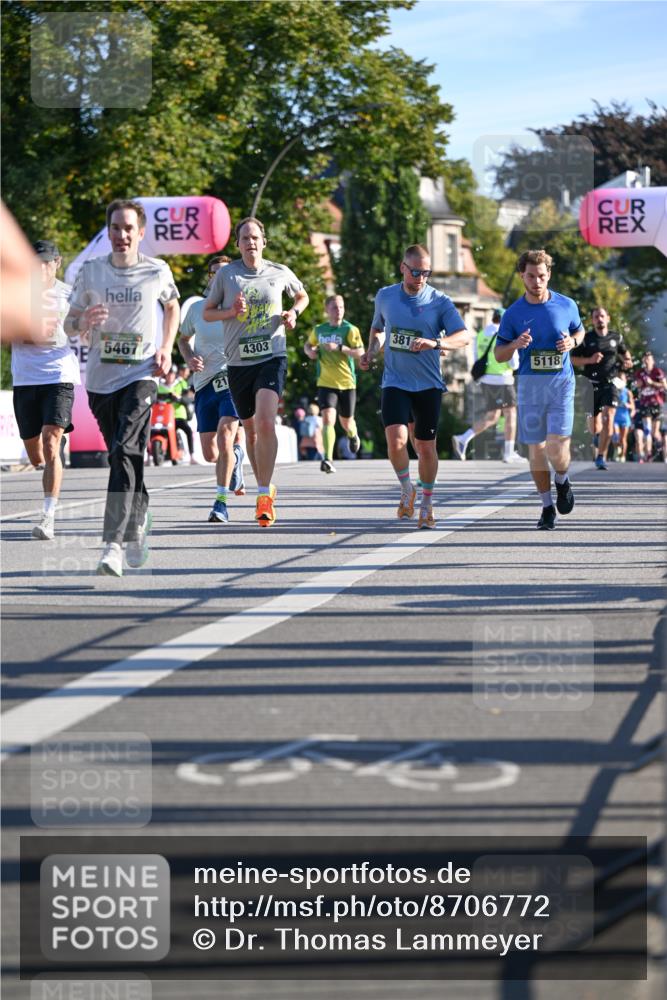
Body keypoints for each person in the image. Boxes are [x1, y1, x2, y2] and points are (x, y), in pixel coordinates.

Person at [64, 199, 180, 576]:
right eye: (115, 228)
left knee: (127, 447)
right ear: (109, 231)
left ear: (141, 233)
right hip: (100, 381)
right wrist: (83, 318)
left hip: (141, 373)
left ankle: (112, 543)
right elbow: (68, 325)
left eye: (129, 228)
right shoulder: (91, 272)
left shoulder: (156, 271)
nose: (122, 235)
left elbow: (173, 306)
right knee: (121, 454)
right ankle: (138, 520)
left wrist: (164, 347)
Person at [202, 216, 308, 527]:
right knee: (249, 431)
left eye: (255, 237)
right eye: (245, 238)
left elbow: (302, 295)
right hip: (238, 363)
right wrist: (231, 312)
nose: (251, 242)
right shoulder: (227, 275)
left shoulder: (279, 272)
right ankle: (265, 483)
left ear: (264, 242)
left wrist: (293, 313)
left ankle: (263, 495)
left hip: (272, 355)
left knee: (265, 421)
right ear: (238, 244)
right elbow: (208, 313)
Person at [359, 244, 468, 529]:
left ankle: (428, 502)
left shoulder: (439, 301)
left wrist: (436, 343)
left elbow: (464, 336)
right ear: (403, 268)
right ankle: (407, 488)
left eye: (426, 272)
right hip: (395, 380)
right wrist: (371, 351)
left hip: (428, 384)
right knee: (395, 441)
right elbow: (379, 329)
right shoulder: (385, 296)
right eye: (416, 271)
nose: (421, 278)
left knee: (425, 446)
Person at [494, 249, 585, 531]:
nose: (537, 281)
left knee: (557, 449)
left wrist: (573, 342)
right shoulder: (513, 313)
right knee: (536, 449)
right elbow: (498, 355)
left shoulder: (567, 305)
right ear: (522, 275)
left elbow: (579, 331)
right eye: (531, 276)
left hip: (561, 386)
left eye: (542, 276)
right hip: (530, 388)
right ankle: (547, 507)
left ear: (549, 275)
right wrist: (514, 345)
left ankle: (562, 479)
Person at [11, 240, 80, 540]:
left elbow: (83, 328)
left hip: (59, 375)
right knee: (36, 454)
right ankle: (49, 457)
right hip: (25, 379)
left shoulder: (70, 294)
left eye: (46, 262)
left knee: (51, 442)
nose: (40, 268)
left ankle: (48, 516)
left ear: (57, 263)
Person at [178, 257, 246, 524]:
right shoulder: (197, 308)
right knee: (210, 453)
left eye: (224, 273)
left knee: (226, 434)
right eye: (215, 273)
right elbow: (183, 340)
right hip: (204, 383)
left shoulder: (239, 307)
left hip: (232, 379)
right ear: (209, 278)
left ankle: (220, 503)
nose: (219, 277)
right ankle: (237, 458)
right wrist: (189, 357)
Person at [452, 308, 526, 464]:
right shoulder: (506, 335)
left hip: (486, 381)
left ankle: (463, 438)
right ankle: (508, 453)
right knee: (511, 414)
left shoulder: (480, 336)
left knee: (492, 416)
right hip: (503, 380)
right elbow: (514, 363)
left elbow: (475, 358)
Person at [304, 294, 364, 473]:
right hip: (325, 382)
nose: (339, 311)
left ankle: (353, 435)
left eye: (341, 307)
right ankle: (327, 459)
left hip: (346, 383)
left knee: (346, 422)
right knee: (328, 418)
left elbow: (360, 352)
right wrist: (310, 352)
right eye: (335, 307)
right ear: (327, 310)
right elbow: (308, 345)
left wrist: (340, 348)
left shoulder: (350, 329)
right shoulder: (319, 330)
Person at [571, 306, 632, 470]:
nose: (600, 319)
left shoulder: (616, 337)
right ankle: (598, 438)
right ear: (592, 320)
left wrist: (627, 362)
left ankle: (601, 456)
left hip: (610, 384)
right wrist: (590, 360)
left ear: (608, 318)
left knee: (609, 418)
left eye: (602, 316)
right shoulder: (586, 338)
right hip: (591, 386)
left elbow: (627, 356)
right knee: (594, 427)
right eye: (596, 316)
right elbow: (573, 360)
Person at [630, 350, 666, 462]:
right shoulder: (640, 372)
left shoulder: (658, 372)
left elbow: (665, 386)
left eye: (649, 359)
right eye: (645, 359)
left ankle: (661, 446)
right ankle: (648, 453)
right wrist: (638, 384)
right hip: (645, 404)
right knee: (647, 430)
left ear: (653, 361)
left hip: (657, 403)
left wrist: (652, 383)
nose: (647, 361)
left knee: (655, 432)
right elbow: (635, 385)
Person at [156, 367, 197, 463]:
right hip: (164, 417)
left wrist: (179, 398)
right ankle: (152, 455)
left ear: (175, 375)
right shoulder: (159, 386)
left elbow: (189, 399)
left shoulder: (181, 384)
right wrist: (166, 396)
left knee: (188, 431)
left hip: (179, 416)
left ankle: (192, 455)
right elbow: (155, 398)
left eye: (172, 374)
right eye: (168, 374)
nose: (170, 376)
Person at [612, 371, 635, 462]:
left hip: (625, 418)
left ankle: (622, 456)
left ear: (625, 381)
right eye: (619, 379)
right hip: (615, 417)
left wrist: (628, 406)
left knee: (623, 438)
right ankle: (617, 450)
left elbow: (633, 406)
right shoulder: (614, 390)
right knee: (616, 436)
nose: (621, 380)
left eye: (622, 379)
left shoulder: (628, 392)